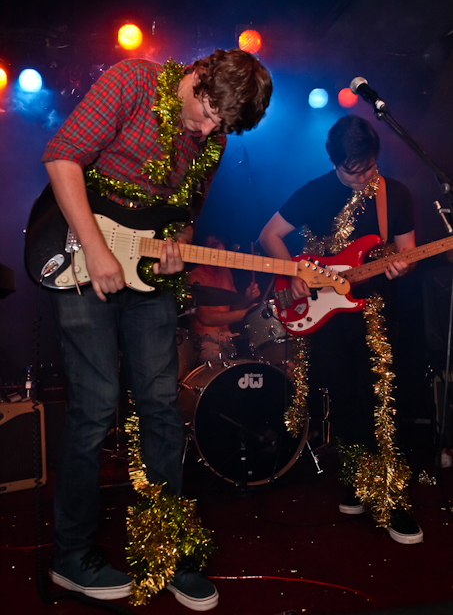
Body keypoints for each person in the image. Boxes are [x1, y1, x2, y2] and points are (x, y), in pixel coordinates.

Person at [41, 48, 272, 608]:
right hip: (82, 254)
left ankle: (167, 548)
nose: (209, 130)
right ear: (198, 75)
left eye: (222, 125)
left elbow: (184, 215)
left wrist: (177, 245)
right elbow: (61, 158)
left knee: (162, 408)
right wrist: (97, 249)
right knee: (95, 406)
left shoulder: (213, 137)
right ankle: (70, 556)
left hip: (148, 277)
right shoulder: (132, 82)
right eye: (208, 112)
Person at [259, 114, 423, 545]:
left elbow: (406, 251)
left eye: (368, 167)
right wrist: (293, 270)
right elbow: (269, 235)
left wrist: (402, 266)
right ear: (334, 162)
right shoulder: (314, 192)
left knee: (381, 402)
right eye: (353, 171)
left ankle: (391, 497)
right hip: (328, 317)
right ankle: (356, 482)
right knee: (346, 400)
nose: (363, 177)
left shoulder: (394, 194)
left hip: (376, 315)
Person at [188, 235, 260, 362]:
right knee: (218, 360)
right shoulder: (194, 276)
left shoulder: (226, 272)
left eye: (222, 244)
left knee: (254, 358)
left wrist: (247, 299)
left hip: (228, 338)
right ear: (203, 249)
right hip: (205, 340)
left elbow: (233, 307)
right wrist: (245, 313)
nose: (221, 248)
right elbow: (205, 318)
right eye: (214, 245)